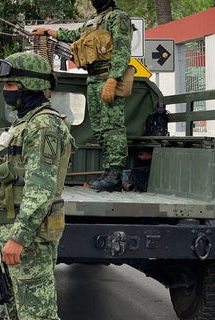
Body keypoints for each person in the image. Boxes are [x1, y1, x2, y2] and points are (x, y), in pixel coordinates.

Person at [0, 52, 73, 319]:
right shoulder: (22, 123)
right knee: (13, 311)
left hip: (30, 239)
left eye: (11, 85)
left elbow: (41, 190)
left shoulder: (43, 126)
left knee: (37, 316)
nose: (6, 90)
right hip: (12, 232)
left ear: (29, 86)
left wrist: (18, 237)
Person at [31, 0, 132, 192]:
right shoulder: (94, 19)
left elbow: (122, 49)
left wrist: (113, 79)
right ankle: (108, 172)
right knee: (100, 129)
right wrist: (49, 32)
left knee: (112, 128)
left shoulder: (118, 17)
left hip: (107, 77)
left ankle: (115, 175)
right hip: (94, 79)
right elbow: (75, 35)